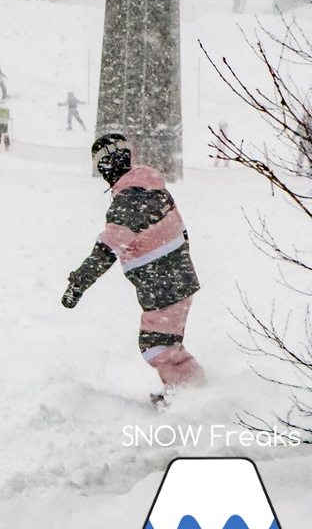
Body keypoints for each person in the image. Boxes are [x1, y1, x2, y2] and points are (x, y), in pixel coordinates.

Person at [62, 133, 205, 394]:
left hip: (165, 286)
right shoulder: (150, 186)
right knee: (162, 345)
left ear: (107, 166)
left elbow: (107, 248)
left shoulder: (130, 199)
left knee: (158, 347)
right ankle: (185, 392)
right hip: (172, 281)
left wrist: (78, 283)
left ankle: (194, 397)